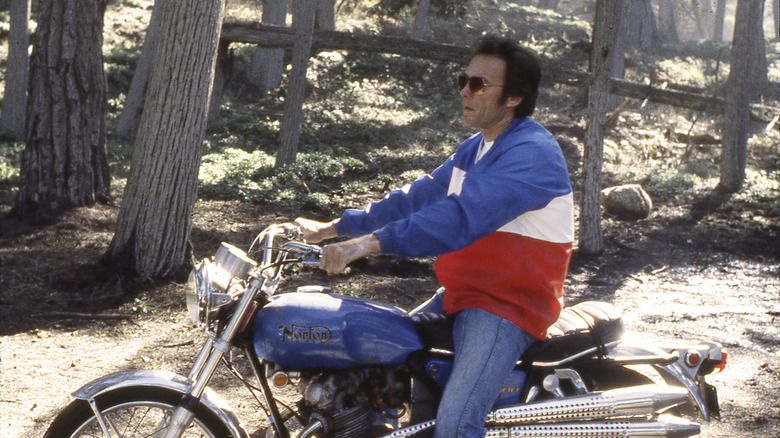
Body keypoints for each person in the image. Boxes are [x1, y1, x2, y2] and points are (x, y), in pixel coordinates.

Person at [294, 34, 574, 438]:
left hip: (507, 304)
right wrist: (333, 229)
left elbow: (460, 217)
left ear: (513, 97)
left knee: (456, 423)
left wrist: (369, 244)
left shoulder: (533, 154)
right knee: (387, 360)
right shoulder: (476, 148)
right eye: (464, 79)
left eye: (478, 84)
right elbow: (417, 197)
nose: (465, 90)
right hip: (462, 294)